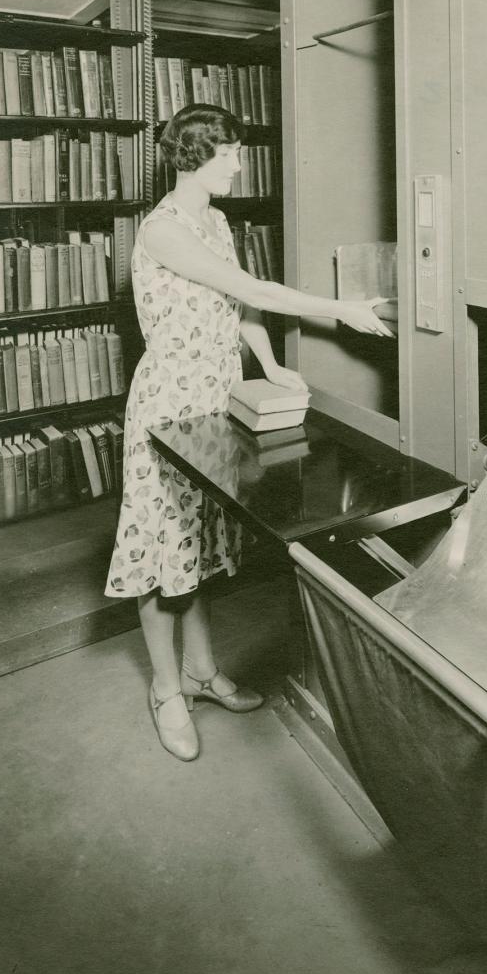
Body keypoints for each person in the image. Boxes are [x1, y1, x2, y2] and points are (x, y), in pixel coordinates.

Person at [105, 103, 391, 762]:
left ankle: (202, 672)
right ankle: (167, 689)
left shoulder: (217, 220)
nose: (240, 162)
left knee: (198, 542)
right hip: (168, 401)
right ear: (198, 156)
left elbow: (241, 304)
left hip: (217, 396)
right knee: (159, 548)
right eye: (231, 152)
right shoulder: (163, 231)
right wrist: (339, 309)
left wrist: (271, 365)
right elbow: (243, 281)